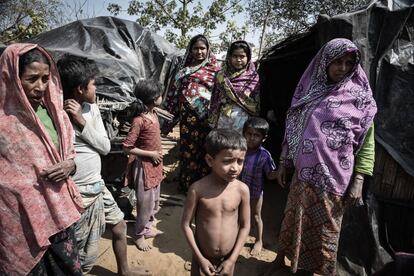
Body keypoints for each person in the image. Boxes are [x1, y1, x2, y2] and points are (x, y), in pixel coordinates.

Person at [266, 38, 377, 275]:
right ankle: (281, 261)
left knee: (325, 231)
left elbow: (367, 144)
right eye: (337, 61)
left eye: (349, 63)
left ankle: (314, 271)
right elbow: (294, 126)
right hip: (302, 174)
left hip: (333, 179)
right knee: (292, 222)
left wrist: (359, 181)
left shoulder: (360, 99)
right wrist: (285, 160)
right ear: (324, 61)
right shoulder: (310, 90)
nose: (343, 68)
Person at [58, 55, 150, 275]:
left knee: (120, 226)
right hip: (77, 192)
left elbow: (105, 146)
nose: (96, 88)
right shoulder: (57, 114)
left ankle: (124, 271)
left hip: (97, 186)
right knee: (80, 252)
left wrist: (82, 122)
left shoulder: (92, 110)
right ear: (80, 88)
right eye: (93, 84)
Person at [0, 44, 84, 275]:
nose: (40, 87)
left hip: (59, 215)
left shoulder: (56, 114)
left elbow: (70, 156)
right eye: (32, 79)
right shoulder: (3, 120)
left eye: (46, 78)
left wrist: (70, 165)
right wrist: (19, 188)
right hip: (18, 221)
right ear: (12, 78)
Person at [181, 129, 251, 276]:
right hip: (202, 258)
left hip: (228, 259)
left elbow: (245, 226)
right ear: (210, 160)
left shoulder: (242, 190)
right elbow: (186, 225)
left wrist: (232, 260)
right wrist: (200, 258)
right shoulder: (197, 190)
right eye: (227, 161)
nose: (235, 168)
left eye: (240, 161)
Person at [163, 34, 220, 191]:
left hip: (207, 118)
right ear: (190, 49)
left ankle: (205, 185)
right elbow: (174, 93)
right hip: (188, 120)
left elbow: (220, 94)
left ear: (208, 50)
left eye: (202, 48)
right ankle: (188, 185)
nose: (199, 52)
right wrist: (169, 119)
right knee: (188, 150)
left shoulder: (216, 70)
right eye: (196, 48)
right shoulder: (184, 70)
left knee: (207, 149)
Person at [123, 80, 164, 251]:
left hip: (156, 166)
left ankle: (146, 228)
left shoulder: (154, 114)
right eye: (160, 94)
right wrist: (150, 154)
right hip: (144, 168)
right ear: (154, 98)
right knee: (144, 203)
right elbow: (127, 147)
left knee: (154, 201)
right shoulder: (140, 121)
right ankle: (139, 234)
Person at [239, 117, 278, 256]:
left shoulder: (264, 155)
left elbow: (269, 175)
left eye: (256, 135)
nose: (252, 138)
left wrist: (280, 172)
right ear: (244, 133)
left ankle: (259, 240)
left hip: (255, 192)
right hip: (237, 190)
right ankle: (237, 237)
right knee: (237, 213)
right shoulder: (239, 149)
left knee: (256, 216)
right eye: (249, 134)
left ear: (264, 138)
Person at [209, 40, 260, 133]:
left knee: (239, 146)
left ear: (248, 58)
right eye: (235, 56)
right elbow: (214, 98)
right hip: (222, 119)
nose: (238, 60)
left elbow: (256, 103)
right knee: (222, 144)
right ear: (229, 57)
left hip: (244, 120)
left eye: (242, 56)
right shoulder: (221, 76)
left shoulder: (253, 78)